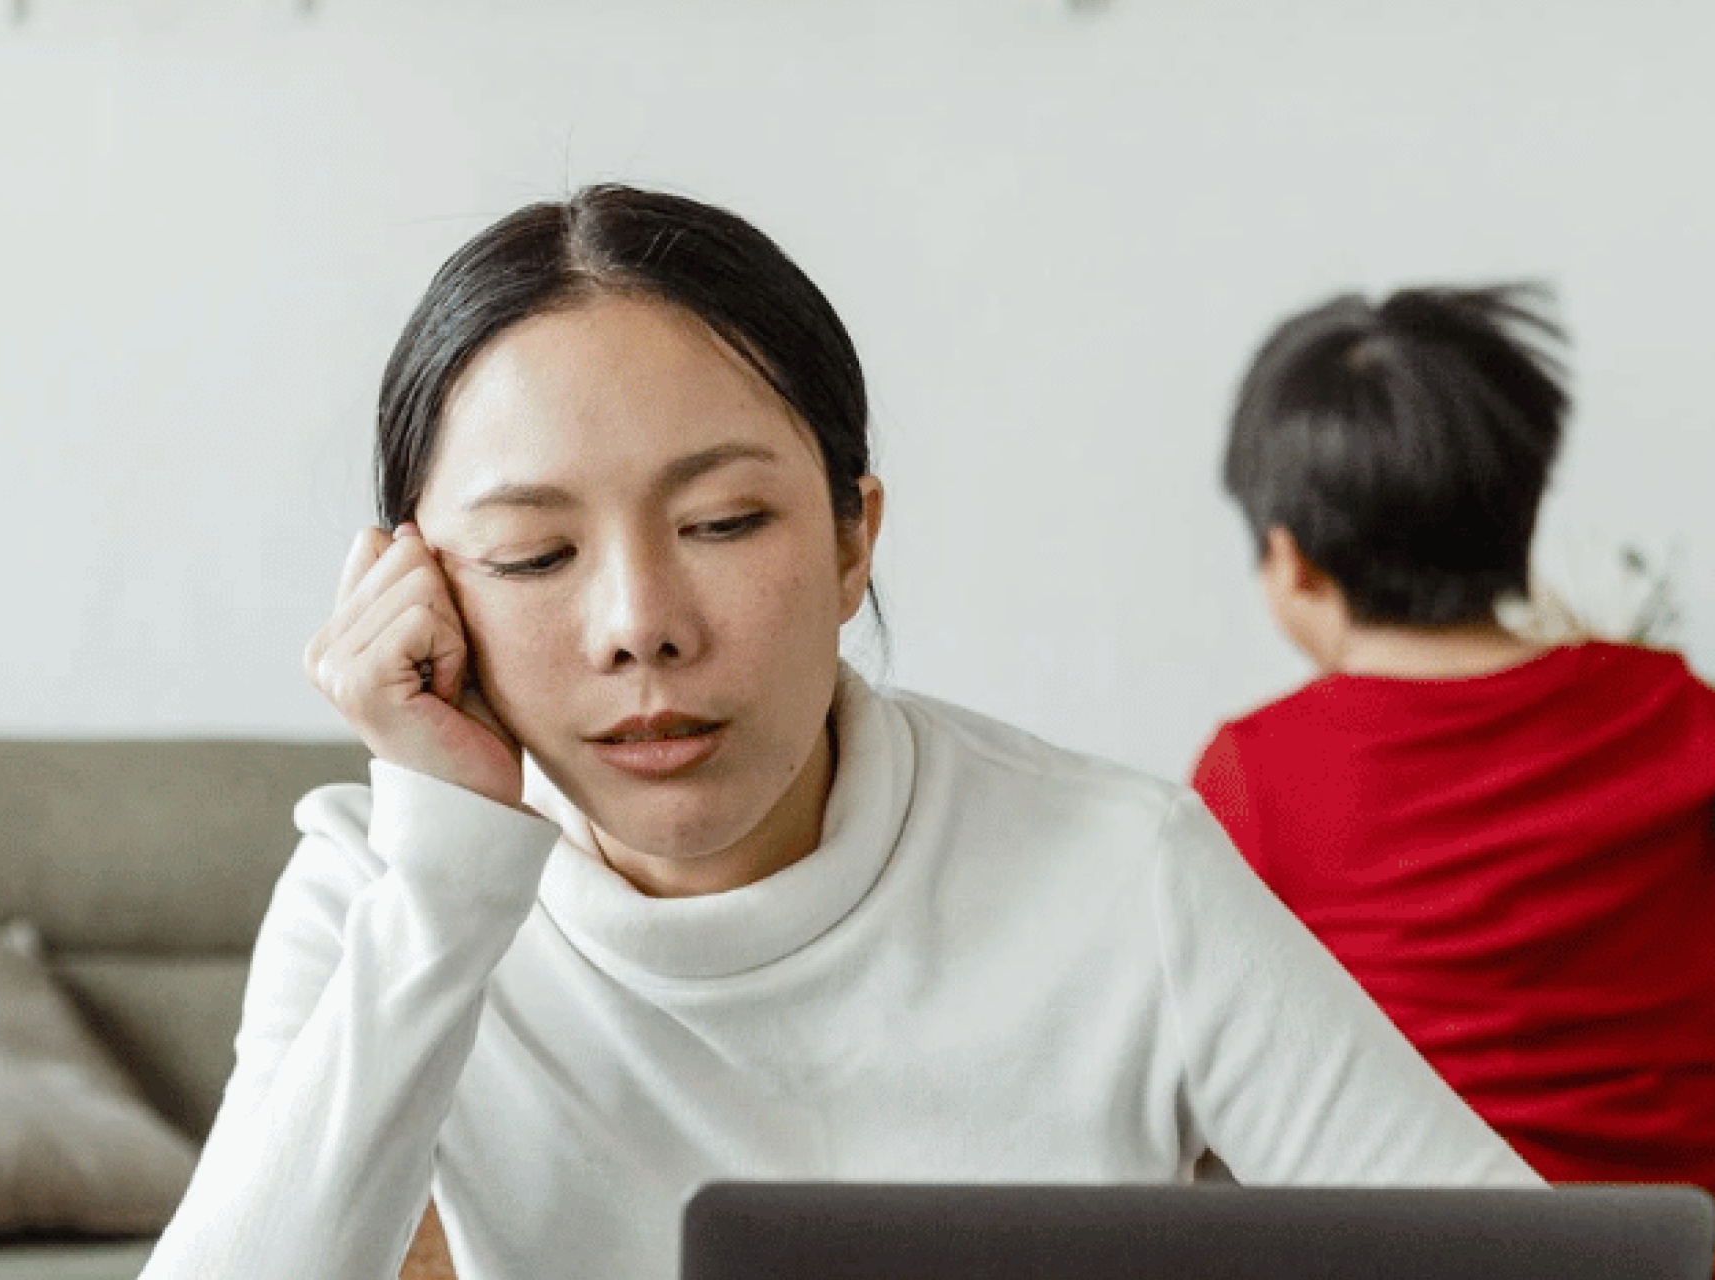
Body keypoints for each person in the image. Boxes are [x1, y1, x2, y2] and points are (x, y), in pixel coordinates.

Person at [141, 185, 1534, 1280]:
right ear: (418, 591)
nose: (641, 624)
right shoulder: (376, 891)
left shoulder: (1122, 870)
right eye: (529, 555)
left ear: (855, 537)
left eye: (725, 523)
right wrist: (445, 873)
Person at [1188, 284, 1715, 1280]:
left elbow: (1198, 1057)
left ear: (1291, 560)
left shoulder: (1255, 769)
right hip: (1696, 1259)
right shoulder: (1682, 717)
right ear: (1522, 515)